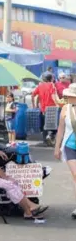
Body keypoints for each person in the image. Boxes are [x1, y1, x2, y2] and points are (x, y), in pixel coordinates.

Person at [54, 83, 76, 219]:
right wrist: (57, 147)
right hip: (70, 146)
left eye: (70, 96)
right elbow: (61, 129)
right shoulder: (65, 109)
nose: (67, 98)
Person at [32, 73, 59, 145]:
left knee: (44, 125)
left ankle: (45, 141)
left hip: (43, 109)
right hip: (51, 108)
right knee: (54, 124)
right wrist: (57, 104)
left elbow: (33, 94)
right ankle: (51, 136)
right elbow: (53, 96)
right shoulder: (51, 85)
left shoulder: (40, 86)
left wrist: (34, 105)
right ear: (51, 79)